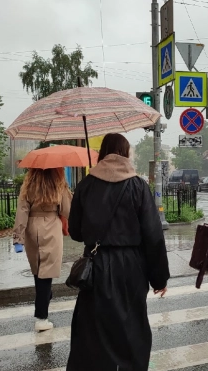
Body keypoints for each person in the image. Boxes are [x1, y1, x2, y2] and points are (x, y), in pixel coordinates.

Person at [66, 133, 170, 371]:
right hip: (131, 267)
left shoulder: (86, 185)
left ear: (103, 152)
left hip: (97, 265)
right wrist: (159, 278)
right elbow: (153, 236)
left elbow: (75, 232)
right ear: (125, 153)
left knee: (94, 332)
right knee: (131, 328)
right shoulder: (138, 186)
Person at [13, 168, 72, 332]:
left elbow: (22, 210)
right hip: (52, 227)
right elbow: (68, 210)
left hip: (32, 227)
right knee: (47, 271)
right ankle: (41, 316)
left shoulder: (28, 185)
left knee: (38, 270)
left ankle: (45, 297)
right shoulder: (59, 184)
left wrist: (18, 237)